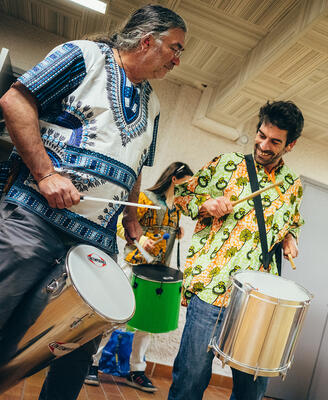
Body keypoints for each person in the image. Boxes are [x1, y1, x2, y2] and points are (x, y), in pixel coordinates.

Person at [0, 5, 185, 399]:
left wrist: (132, 222)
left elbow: (135, 167)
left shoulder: (153, 105)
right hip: (36, 217)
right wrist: (46, 174)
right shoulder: (83, 56)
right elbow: (15, 102)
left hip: (96, 239)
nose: (178, 58)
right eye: (175, 47)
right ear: (148, 40)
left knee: (78, 343)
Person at [167, 100, 305, 400]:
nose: (264, 145)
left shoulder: (293, 185)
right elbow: (181, 197)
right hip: (213, 290)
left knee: (252, 388)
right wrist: (206, 205)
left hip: (259, 300)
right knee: (190, 379)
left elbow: (292, 222)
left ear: (290, 145)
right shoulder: (226, 164)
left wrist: (289, 238)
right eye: (261, 135)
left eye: (274, 141)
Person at [85, 162, 193, 392]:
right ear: (174, 179)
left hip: (157, 272)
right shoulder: (144, 198)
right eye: (187, 183)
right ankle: (90, 364)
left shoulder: (177, 208)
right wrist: (140, 239)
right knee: (117, 316)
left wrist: (177, 231)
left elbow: (164, 233)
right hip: (133, 266)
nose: (190, 188)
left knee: (147, 324)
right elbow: (120, 226)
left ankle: (137, 371)